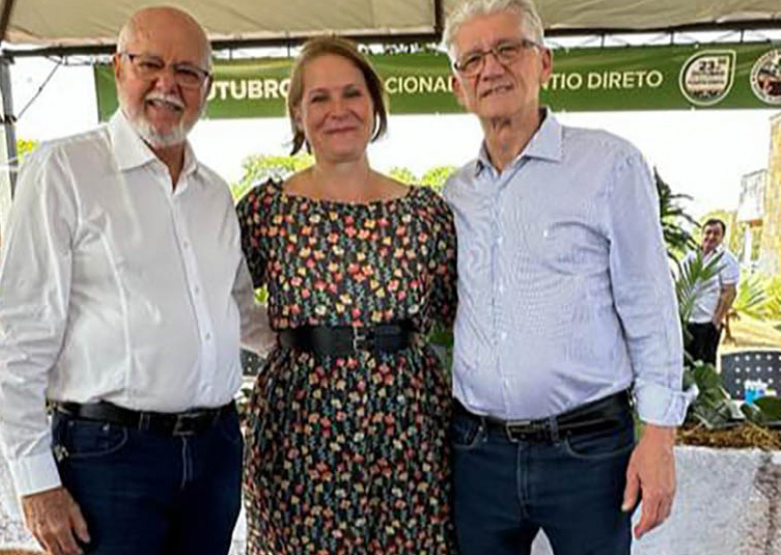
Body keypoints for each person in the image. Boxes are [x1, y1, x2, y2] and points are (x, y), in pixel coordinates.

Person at [0, 7, 273, 555]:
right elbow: (17, 335)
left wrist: (326, 346)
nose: (169, 84)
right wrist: (35, 481)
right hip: (110, 457)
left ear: (206, 87)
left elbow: (236, 308)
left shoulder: (214, 192)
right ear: (118, 68)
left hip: (214, 451)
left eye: (188, 71)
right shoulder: (64, 170)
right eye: (152, 65)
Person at [440, 1, 693, 554]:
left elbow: (650, 308)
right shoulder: (453, 196)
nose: (492, 68)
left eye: (508, 48)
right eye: (473, 58)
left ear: (544, 62)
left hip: (588, 452)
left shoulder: (609, 165)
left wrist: (659, 438)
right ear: (458, 86)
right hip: (478, 453)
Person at [237, 36, 458, 555]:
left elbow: (455, 311)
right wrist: (280, 344)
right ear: (297, 114)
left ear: (374, 106)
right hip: (299, 427)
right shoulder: (267, 211)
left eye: (351, 94)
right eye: (319, 98)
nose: (338, 110)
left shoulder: (425, 214)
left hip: (407, 426)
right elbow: (216, 300)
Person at [682, 218, 739, 365]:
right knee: (685, 365)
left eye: (716, 233)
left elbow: (729, 292)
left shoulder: (726, 260)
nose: (711, 237)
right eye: (708, 232)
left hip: (707, 324)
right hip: (686, 321)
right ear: (702, 235)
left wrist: (716, 321)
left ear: (722, 237)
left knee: (704, 367)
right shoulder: (691, 256)